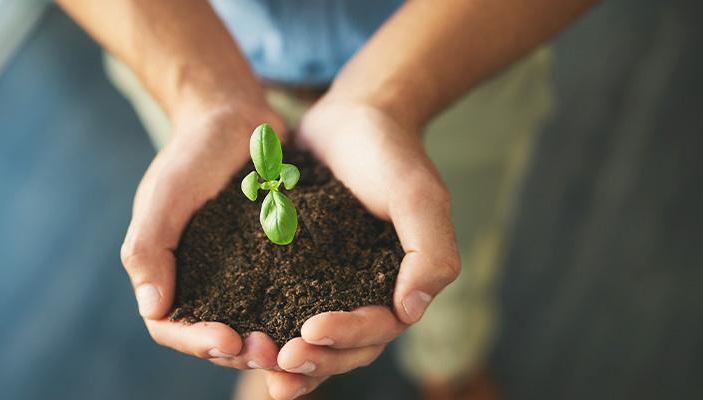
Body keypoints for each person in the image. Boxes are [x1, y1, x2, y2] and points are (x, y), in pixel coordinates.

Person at [56, 1, 598, 399]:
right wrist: (203, 94)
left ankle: (450, 366)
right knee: (258, 316)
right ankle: (264, 364)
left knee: (447, 257)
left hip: (458, 60)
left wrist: (382, 101)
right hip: (183, 61)